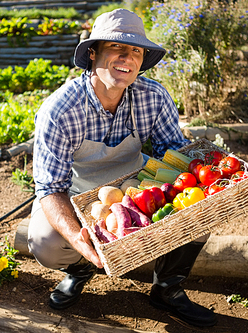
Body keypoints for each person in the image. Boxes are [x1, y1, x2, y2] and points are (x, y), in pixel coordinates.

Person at [28, 8, 217, 328]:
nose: (126, 57)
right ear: (93, 53)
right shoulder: (60, 110)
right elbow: (50, 188)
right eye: (116, 47)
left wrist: (215, 177)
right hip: (79, 192)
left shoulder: (153, 96)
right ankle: (80, 268)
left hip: (136, 184)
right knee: (45, 243)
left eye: (136, 50)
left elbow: (173, 154)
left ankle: (167, 289)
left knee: (200, 209)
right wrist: (79, 242)